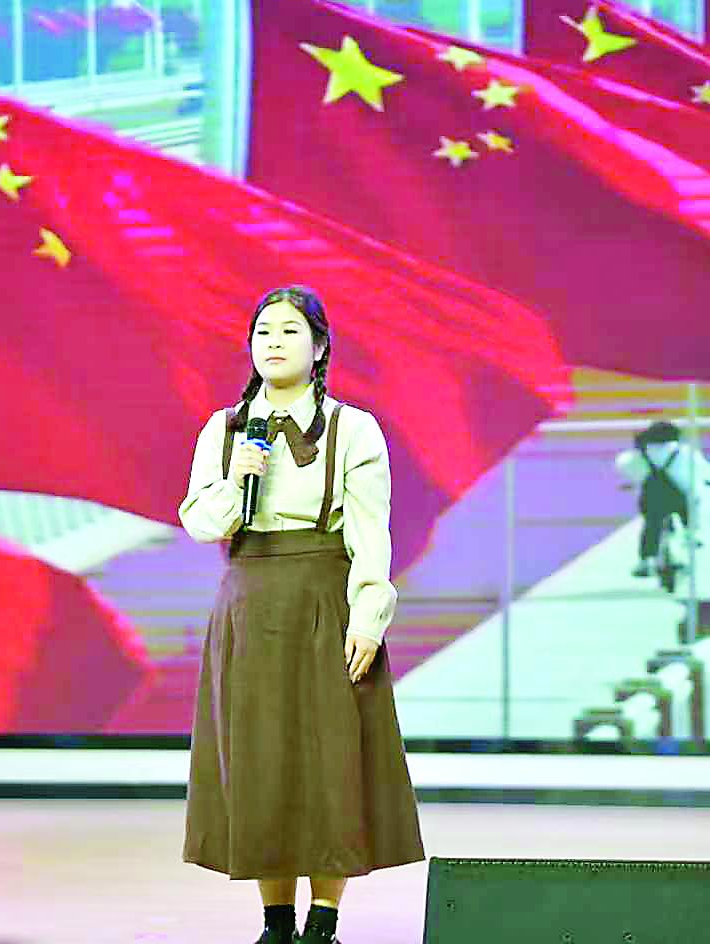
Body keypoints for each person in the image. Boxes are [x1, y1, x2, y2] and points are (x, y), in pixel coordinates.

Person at [179, 286, 425, 944]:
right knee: (260, 757)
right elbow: (201, 521)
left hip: (324, 596)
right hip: (249, 600)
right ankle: (275, 921)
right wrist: (236, 478)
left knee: (329, 758)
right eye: (263, 332)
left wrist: (368, 615)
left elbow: (370, 533)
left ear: (319, 348)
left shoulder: (353, 429)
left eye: (289, 331)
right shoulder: (224, 430)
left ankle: (324, 920)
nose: (274, 343)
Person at [614, 420, 710, 578]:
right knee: (693, 502)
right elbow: (702, 468)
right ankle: (691, 535)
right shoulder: (685, 452)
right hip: (682, 499)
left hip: (653, 500)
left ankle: (645, 562)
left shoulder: (637, 455)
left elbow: (624, 466)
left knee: (651, 525)